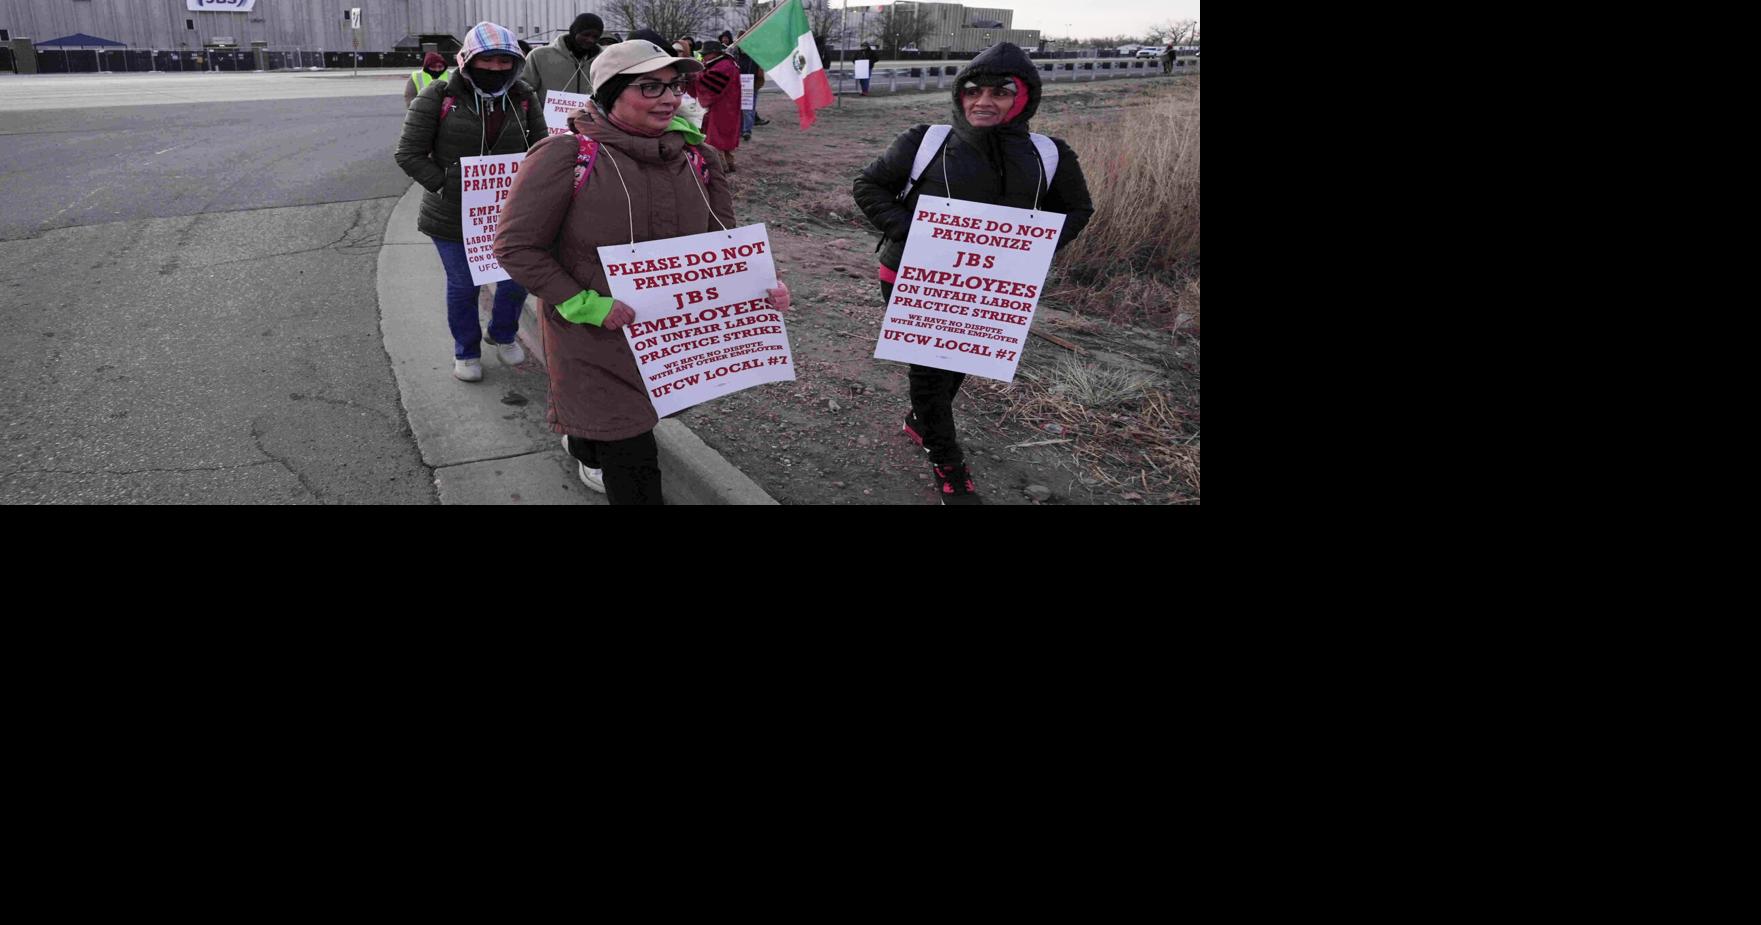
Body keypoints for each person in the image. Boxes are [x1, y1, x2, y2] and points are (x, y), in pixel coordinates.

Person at [493, 40, 791, 504]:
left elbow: (722, 248)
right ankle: (593, 441)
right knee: (633, 458)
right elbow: (516, 247)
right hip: (591, 335)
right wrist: (588, 305)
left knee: (617, 425)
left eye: (674, 86)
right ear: (611, 94)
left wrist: (758, 289)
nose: (670, 98)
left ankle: (583, 439)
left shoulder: (699, 158)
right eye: (649, 87)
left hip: (665, 338)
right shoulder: (564, 156)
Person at [851, 42, 1094, 505]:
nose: (984, 101)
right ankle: (948, 463)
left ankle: (923, 421)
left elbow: (1078, 209)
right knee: (928, 370)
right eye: (973, 90)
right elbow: (868, 184)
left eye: (1000, 91)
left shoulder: (1049, 154)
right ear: (960, 95)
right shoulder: (926, 141)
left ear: (1023, 97)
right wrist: (917, 233)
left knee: (963, 359)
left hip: (990, 285)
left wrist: (1030, 250)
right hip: (911, 275)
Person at [395, 22, 547, 383]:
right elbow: (409, 153)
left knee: (515, 280)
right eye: (488, 60)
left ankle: (504, 332)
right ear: (468, 59)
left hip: (508, 213)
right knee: (464, 286)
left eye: (504, 62)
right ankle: (466, 350)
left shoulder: (523, 95)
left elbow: (542, 148)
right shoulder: (437, 96)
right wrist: (448, 185)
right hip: (451, 215)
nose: (496, 69)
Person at [528, 13, 602, 103]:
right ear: (574, 32)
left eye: (595, 37)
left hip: (590, 116)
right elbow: (524, 90)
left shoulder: (603, 60)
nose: (590, 40)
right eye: (585, 34)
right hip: (546, 116)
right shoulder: (539, 56)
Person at [693, 40, 743, 173]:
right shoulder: (727, 63)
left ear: (714, 53)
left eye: (706, 54)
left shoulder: (722, 67)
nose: (703, 57)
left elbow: (710, 86)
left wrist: (695, 76)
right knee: (725, 139)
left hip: (722, 107)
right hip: (729, 105)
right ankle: (729, 163)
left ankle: (720, 167)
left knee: (717, 138)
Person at [720, 30, 764, 141]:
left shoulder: (755, 55)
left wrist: (758, 81)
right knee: (738, 108)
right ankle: (739, 130)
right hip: (738, 85)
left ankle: (747, 131)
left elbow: (760, 70)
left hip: (752, 85)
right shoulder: (735, 56)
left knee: (749, 108)